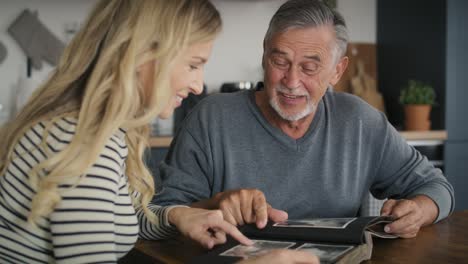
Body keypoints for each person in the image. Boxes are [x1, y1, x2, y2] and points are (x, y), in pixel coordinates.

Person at [0, 1, 319, 263]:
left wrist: (176, 216)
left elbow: (111, 219)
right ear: (142, 56)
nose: (198, 85)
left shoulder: (100, 132)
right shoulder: (84, 146)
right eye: (194, 64)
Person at [154, 0, 455, 239]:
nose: (292, 80)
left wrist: (419, 209)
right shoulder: (210, 119)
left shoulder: (360, 121)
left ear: (337, 70)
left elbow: (436, 186)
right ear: (264, 57)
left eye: (309, 68)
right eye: (280, 61)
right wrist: (215, 206)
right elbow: (163, 214)